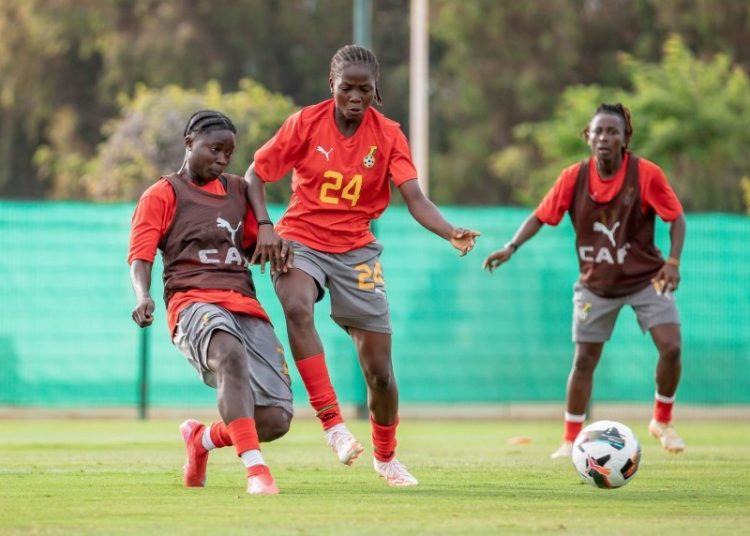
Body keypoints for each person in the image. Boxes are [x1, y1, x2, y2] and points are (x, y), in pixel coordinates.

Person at [244, 44, 480, 487]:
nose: (355, 97)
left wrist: (449, 231)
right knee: (296, 305)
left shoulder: (389, 134)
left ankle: (386, 457)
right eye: (346, 88)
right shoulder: (305, 123)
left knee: (380, 372)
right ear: (331, 87)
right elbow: (255, 175)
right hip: (302, 238)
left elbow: (415, 197)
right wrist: (265, 226)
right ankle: (333, 425)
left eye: (364, 89)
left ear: (376, 92)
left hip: (357, 250)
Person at [483, 103, 686, 459]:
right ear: (588, 137)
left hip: (645, 279)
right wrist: (510, 247)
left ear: (625, 138)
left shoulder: (646, 175)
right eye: (598, 131)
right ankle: (569, 440)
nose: (605, 137)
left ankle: (662, 421)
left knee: (671, 346)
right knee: (583, 361)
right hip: (596, 285)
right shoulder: (573, 178)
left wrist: (672, 261)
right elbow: (540, 216)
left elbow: (676, 218)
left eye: (613, 131)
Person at [129, 110, 294, 495]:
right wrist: (144, 295)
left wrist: (280, 246)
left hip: (244, 304)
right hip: (193, 302)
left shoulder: (239, 191)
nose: (222, 159)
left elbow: (259, 245)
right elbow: (140, 255)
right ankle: (257, 473)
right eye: (215, 149)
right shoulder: (163, 194)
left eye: (229, 153)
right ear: (189, 144)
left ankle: (201, 440)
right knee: (229, 355)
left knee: (275, 419)